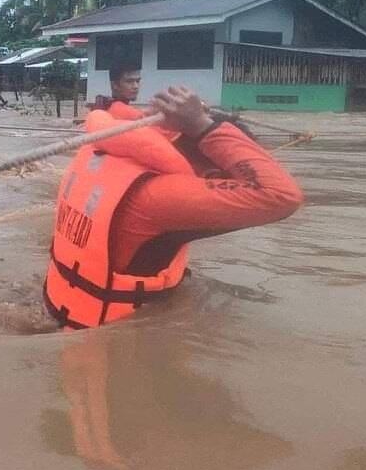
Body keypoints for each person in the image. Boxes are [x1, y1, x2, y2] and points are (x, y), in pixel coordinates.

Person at [43, 85, 304, 329]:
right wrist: (202, 125)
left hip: (62, 309)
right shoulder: (160, 198)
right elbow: (280, 195)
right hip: (115, 337)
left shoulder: (113, 159)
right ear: (214, 173)